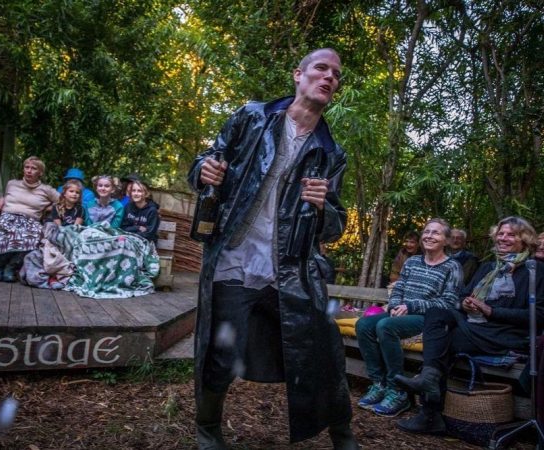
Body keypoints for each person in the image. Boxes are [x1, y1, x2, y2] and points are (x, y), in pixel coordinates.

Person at [188, 48, 358, 449]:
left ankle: (342, 433)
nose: (329, 77)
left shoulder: (330, 153)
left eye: (336, 74)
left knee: (323, 351)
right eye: (321, 68)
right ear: (298, 74)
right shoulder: (252, 117)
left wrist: (323, 207)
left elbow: (335, 225)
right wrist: (202, 170)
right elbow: (207, 161)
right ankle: (207, 428)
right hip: (235, 261)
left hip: (291, 269)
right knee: (221, 351)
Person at [395, 216, 544, 435]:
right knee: (437, 314)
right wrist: (465, 303)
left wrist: (491, 311)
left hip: (505, 334)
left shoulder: (535, 270)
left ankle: (429, 413)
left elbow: (538, 315)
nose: (503, 238)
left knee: (442, 342)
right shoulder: (488, 267)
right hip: (475, 327)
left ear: (525, 240)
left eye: (511, 235)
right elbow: (463, 296)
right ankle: (428, 382)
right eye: (501, 233)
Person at [355, 218, 462, 417]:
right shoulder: (412, 262)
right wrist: (395, 305)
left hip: (427, 319)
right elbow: (399, 288)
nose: (429, 236)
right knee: (364, 324)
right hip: (400, 312)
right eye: (426, 232)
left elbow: (448, 302)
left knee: (386, 326)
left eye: (436, 233)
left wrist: (411, 306)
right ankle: (379, 383)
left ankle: (398, 390)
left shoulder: (452, 266)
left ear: (446, 240)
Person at [0, 156, 59, 282]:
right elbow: (8, 197)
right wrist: (3, 199)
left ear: (40, 172)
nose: (29, 171)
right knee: (5, 232)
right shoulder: (12, 184)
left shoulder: (46, 190)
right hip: (7, 217)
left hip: (30, 221)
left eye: (33, 168)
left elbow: (63, 201)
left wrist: (48, 208)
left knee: (31, 237)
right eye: (26, 167)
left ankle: (10, 268)